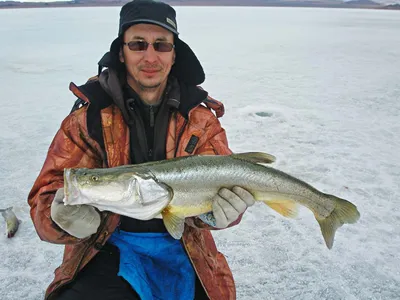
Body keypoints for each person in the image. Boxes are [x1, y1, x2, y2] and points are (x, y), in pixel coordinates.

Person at [27, 1, 255, 299]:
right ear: (121, 52)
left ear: (174, 55)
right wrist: (62, 219)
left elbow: (221, 185)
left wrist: (217, 214)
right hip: (106, 245)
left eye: (161, 45)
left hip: (186, 246)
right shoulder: (86, 120)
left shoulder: (200, 120)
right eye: (138, 44)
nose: (150, 56)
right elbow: (45, 199)